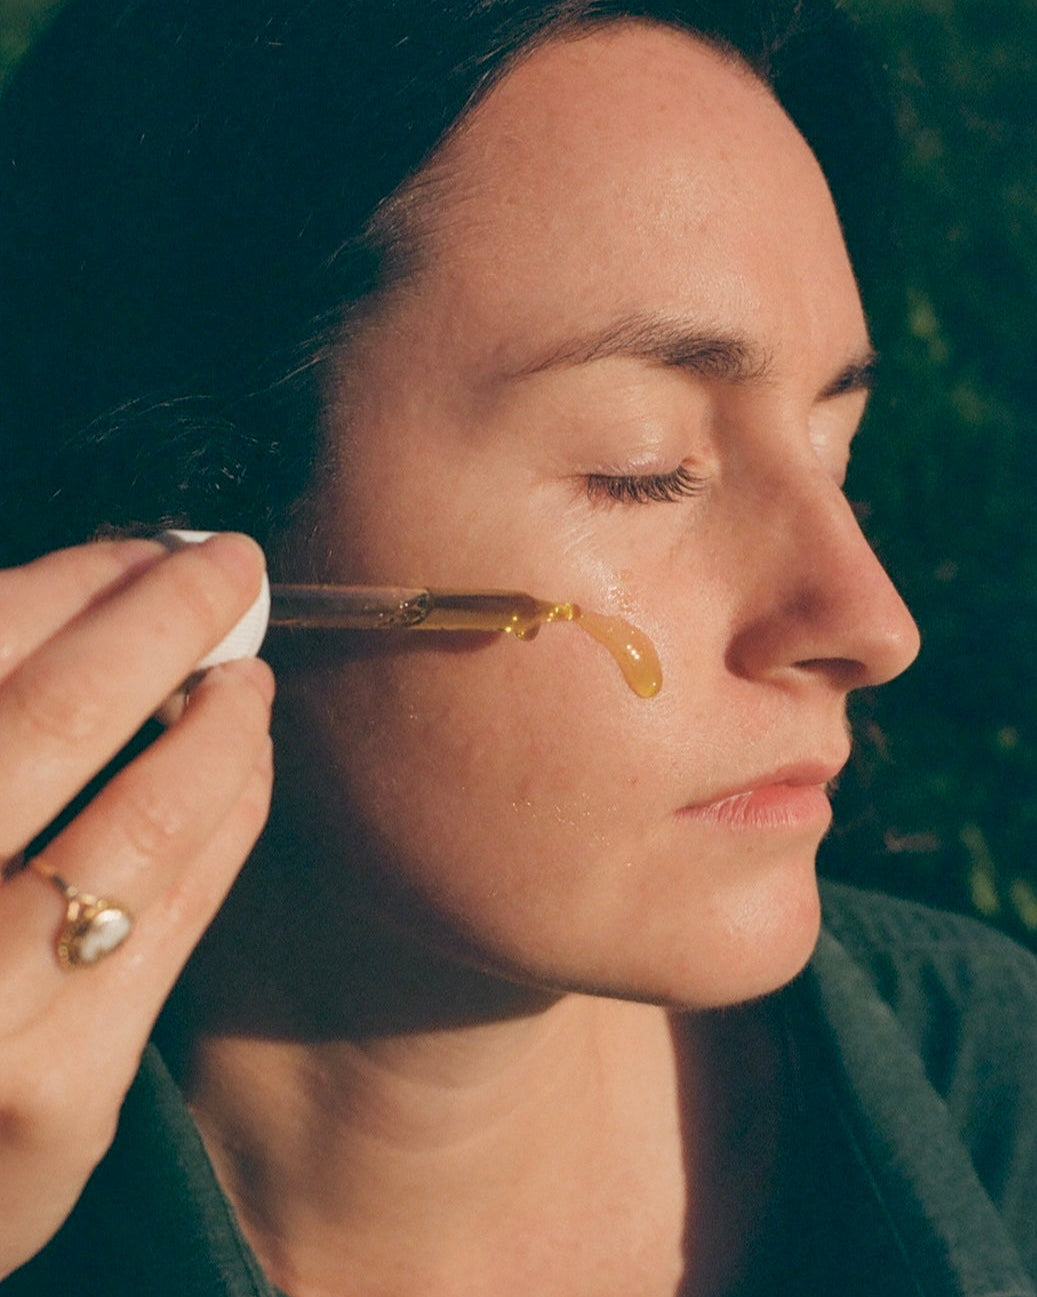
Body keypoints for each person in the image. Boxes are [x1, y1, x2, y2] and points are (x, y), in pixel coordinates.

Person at [0, 2, 1035, 1294]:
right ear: (174, 524)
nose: (870, 624)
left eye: (840, 450)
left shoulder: (994, 1084)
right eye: (643, 468)